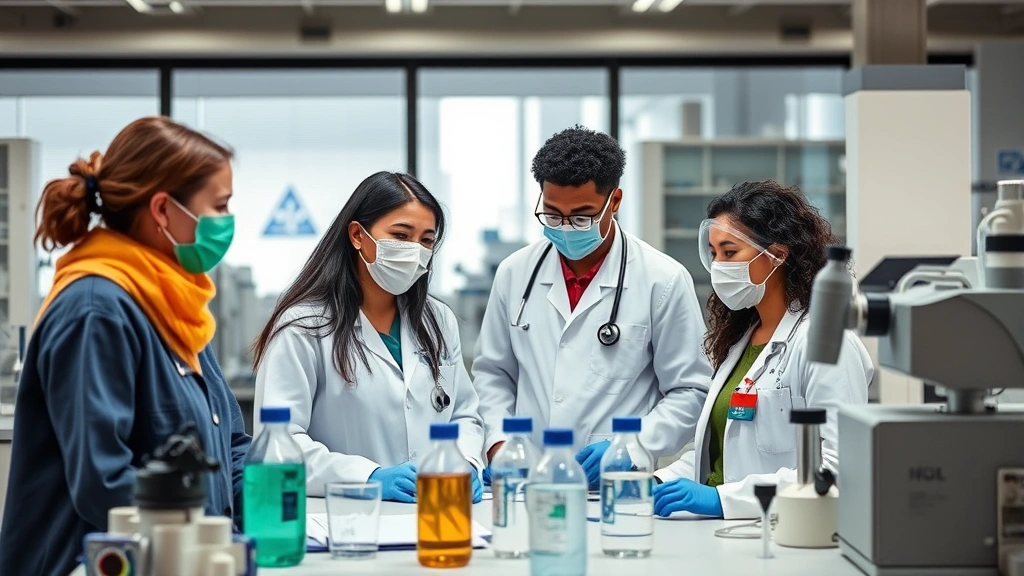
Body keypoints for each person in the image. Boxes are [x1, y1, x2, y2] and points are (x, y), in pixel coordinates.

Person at [0, 117, 249, 576]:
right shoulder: (96, 310)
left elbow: (229, 448)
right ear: (162, 210)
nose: (227, 221)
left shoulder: (175, 304)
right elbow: (105, 483)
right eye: (220, 205)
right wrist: (212, 542)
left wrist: (273, 511)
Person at [473, 126, 712, 489]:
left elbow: (691, 390)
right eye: (552, 215)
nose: (566, 228)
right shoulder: (514, 273)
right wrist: (499, 444)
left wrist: (633, 446)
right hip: (526, 481)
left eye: (582, 216)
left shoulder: (661, 279)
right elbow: (494, 374)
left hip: (615, 484)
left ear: (614, 201)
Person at [253, 171, 485, 504]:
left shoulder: (437, 320)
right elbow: (277, 445)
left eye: (426, 240)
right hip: (346, 515)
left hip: (437, 511)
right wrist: (368, 477)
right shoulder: (304, 326)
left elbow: (464, 414)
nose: (414, 251)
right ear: (358, 235)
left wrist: (465, 462)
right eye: (401, 235)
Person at [651, 180, 873, 520]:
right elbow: (721, 450)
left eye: (730, 252)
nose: (719, 267)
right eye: (714, 254)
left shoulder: (827, 343)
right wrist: (659, 480)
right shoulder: (742, 340)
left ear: (777, 255)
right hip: (723, 533)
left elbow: (840, 467)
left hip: (786, 533)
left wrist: (723, 500)